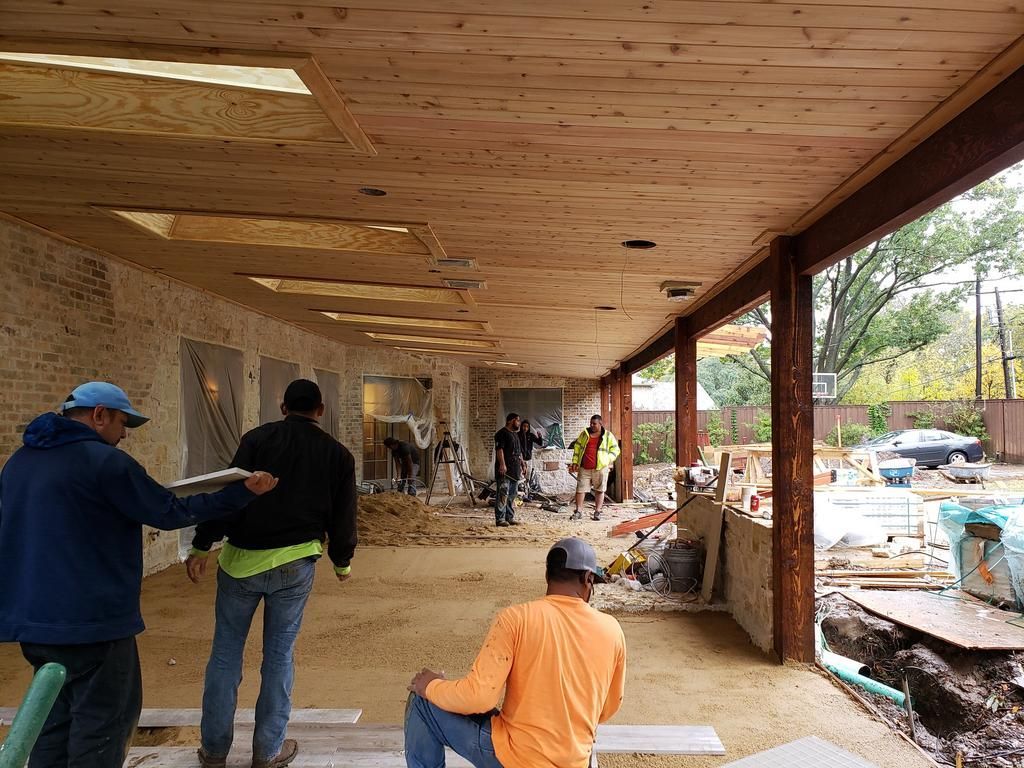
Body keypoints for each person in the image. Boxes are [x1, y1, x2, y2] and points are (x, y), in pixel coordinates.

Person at [0, 381, 278, 768]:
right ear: (99, 415)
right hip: (93, 622)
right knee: (104, 724)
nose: (124, 433)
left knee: (53, 719)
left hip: (33, 621)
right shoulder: (105, 463)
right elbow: (168, 512)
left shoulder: (20, 462)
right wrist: (242, 492)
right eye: (122, 421)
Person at [187, 379, 358, 768]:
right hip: (295, 564)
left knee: (224, 656)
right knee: (279, 657)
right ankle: (268, 751)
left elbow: (229, 496)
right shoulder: (337, 454)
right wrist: (342, 560)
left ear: (283, 407)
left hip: (239, 563)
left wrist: (202, 544)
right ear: (320, 410)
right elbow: (344, 513)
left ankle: (214, 751)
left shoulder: (256, 440)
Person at [404, 537, 626, 768]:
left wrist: (431, 686)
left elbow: (479, 697)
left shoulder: (517, 619)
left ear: (547, 576)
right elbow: (607, 708)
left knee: (422, 702)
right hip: (575, 760)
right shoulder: (612, 630)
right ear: (588, 578)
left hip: (516, 759)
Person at [569, 415, 621, 521]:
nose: (591, 425)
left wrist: (607, 459)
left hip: (600, 468)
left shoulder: (608, 435)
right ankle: (578, 511)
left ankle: (597, 512)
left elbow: (615, 450)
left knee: (600, 490)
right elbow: (577, 448)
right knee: (580, 490)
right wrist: (574, 462)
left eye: (594, 423)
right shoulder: (584, 434)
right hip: (584, 468)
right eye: (591, 423)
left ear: (600, 424)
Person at [493, 412, 526, 527]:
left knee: (512, 495)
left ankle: (509, 517)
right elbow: (499, 450)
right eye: (517, 420)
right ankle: (500, 519)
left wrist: (523, 464)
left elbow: (519, 451)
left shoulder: (515, 434)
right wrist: (502, 464)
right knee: (503, 494)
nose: (519, 423)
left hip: (515, 470)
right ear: (510, 421)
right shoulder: (502, 434)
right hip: (505, 471)